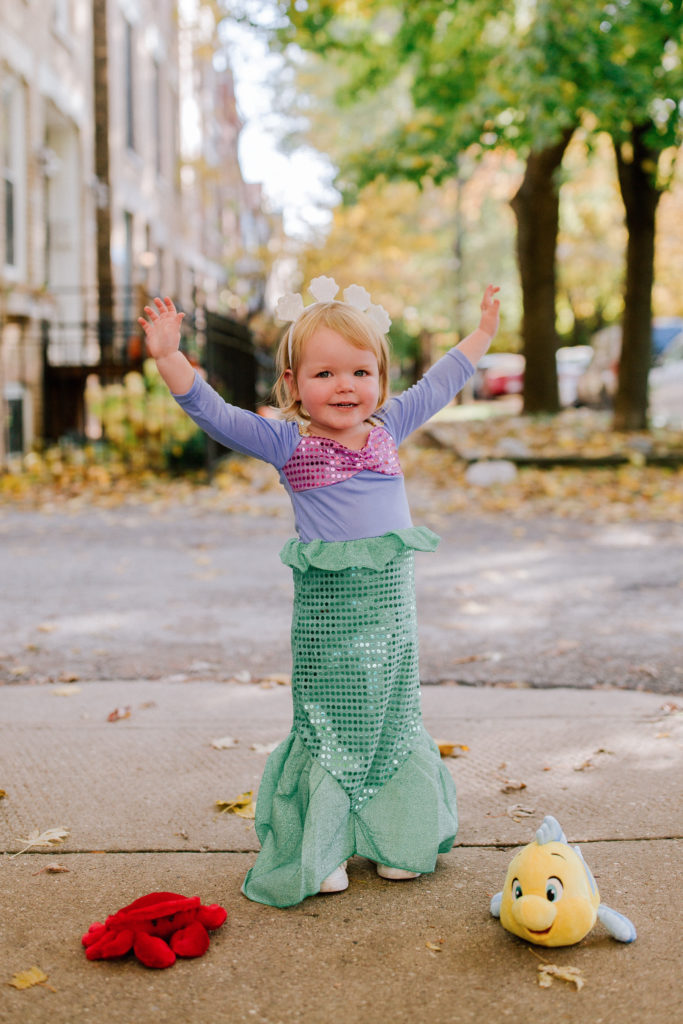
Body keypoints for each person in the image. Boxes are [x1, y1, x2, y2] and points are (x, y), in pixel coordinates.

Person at [138, 278, 500, 908]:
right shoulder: (288, 442)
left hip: (391, 616)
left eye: (361, 371)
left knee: (390, 717)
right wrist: (172, 358)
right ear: (293, 382)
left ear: (381, 379)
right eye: (325, 373)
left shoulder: (390, 425)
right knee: (329, 720)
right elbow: (213, 414)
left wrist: (484, 334)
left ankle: (396, 837)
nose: (344, 387)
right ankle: (321, 845)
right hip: (328, 621)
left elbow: (442, 381)